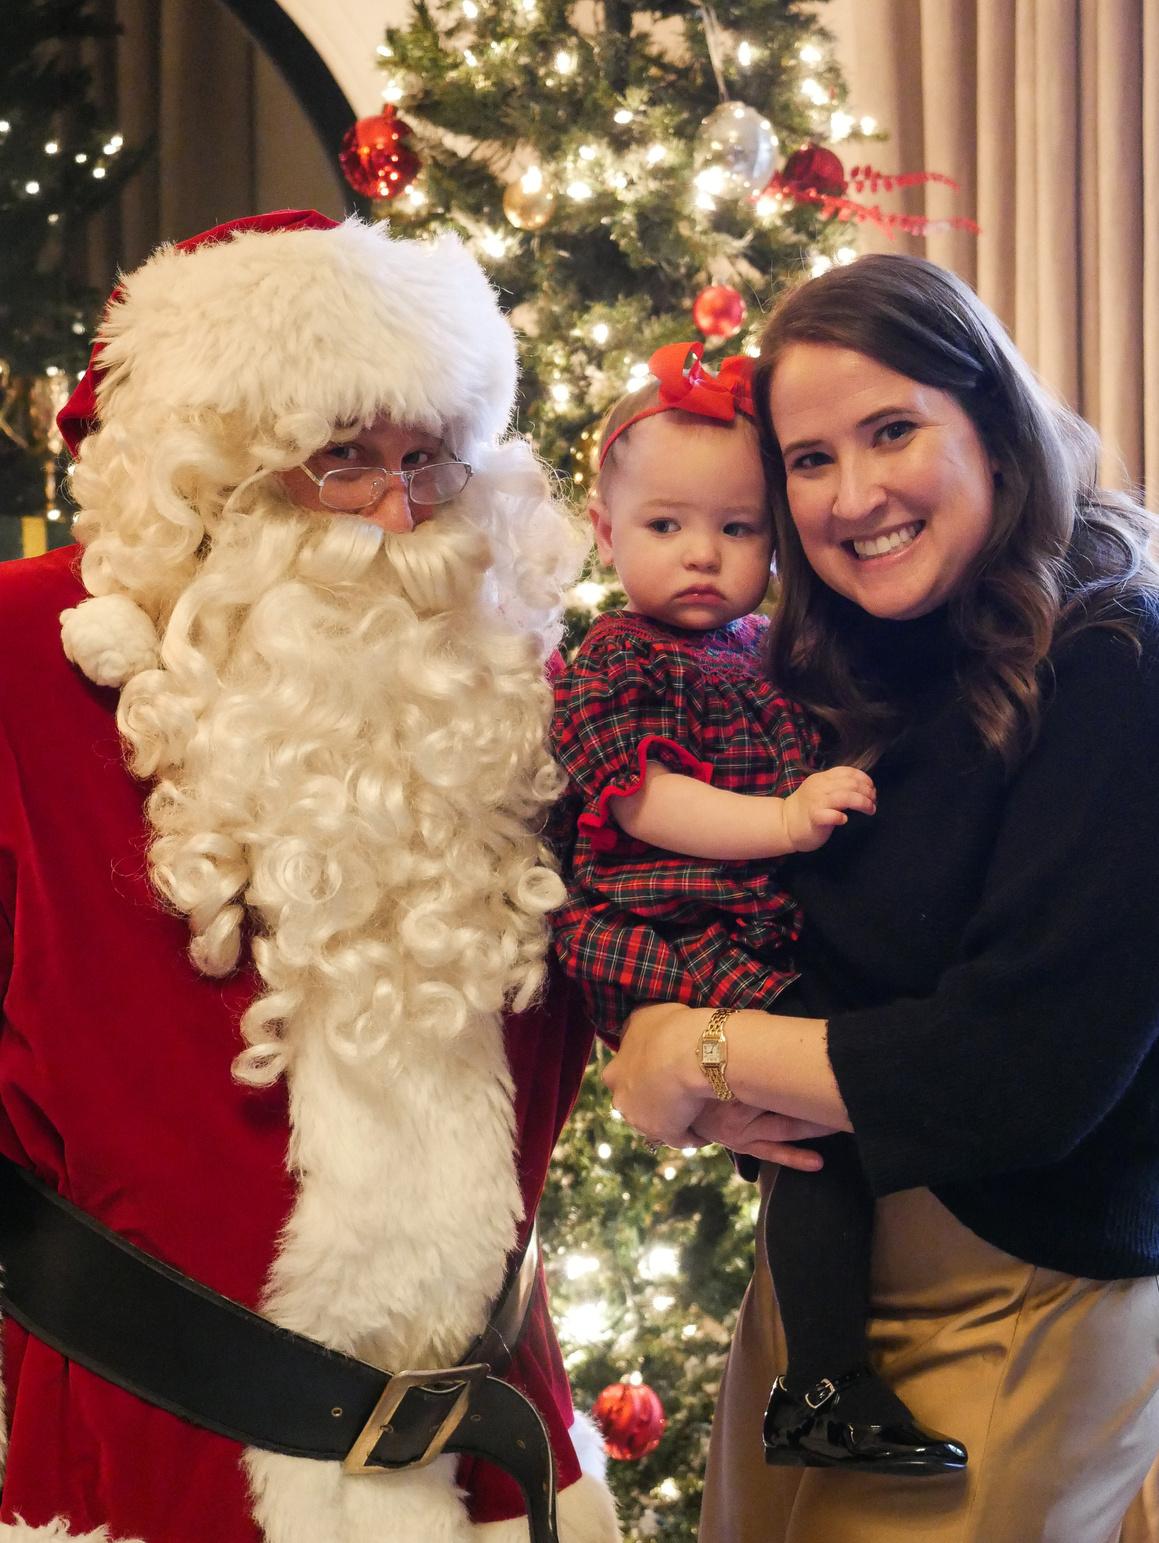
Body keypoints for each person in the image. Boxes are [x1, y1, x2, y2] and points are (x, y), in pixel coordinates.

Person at [0, 211, 619, 1543]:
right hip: (151, 1460)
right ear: (218, 475)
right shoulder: (23, 660)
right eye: (342, 457)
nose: (399, 512)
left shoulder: (516, 686)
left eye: (429, 458)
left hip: (495, 1457)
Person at [601, 253, 1159, 1542]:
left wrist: (695, 1048)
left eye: (892, 431)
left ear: (993, 426)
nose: (853, 497)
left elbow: (1023, 1068)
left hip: (1020, 1290)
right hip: (826, 1295)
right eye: (808, 460)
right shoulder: (850, 654)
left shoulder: (1117, 662)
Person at [551, 343, 963, 1473]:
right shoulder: (615, 661)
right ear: (604, 532)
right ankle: (821, 1385)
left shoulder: (760, 652)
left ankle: (823, 1381)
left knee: (821, 1122)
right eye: (667, 526)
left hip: (745, 927)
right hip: (667, 934)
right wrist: (783, 820)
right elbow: (644, 801)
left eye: (737, 529)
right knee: (827, 1116)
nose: (704, 555)